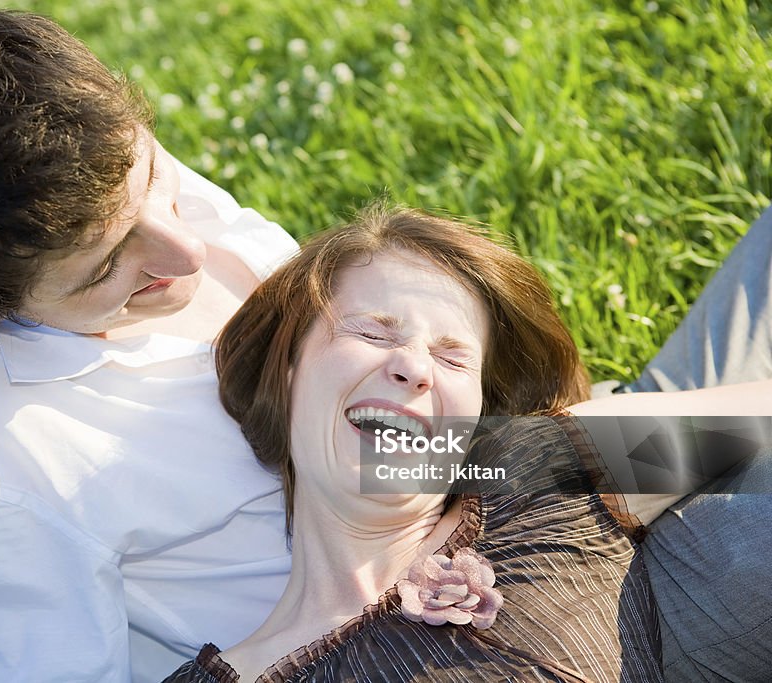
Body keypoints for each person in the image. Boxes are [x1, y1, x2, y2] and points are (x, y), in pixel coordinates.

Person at [0, 7, 772, 683]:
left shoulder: (97, 177)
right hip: (506, 616)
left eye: (159, 184)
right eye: (109, 269)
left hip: (530, 475)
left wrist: (581, 445)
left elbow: (504, 451)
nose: (188, 254)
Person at [163, 206, 771, 682]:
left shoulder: (524, 469)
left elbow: (752, 417)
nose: (414, 366)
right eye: (373, 333)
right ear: (288, 366)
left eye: (453, 357)